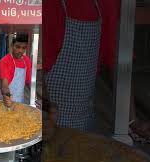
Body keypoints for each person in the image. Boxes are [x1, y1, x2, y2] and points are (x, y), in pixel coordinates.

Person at [44, 0, 121, 132]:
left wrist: (131, 120)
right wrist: (44, 109)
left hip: (85, 122)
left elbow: (116, 61)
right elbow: (35, 65)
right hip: (50, 124)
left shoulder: (106, 4)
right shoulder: (48, 5)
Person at [0, 34, 32, 107]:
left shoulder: (27, 61)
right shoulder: (4, 61)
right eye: (18, 47)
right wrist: (7, 98)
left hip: (20, 101)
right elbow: (4, 85)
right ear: (12, 45)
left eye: (23, 48)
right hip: (5, 101)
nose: (20, 51)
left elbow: (29, 82)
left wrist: (36, 96)